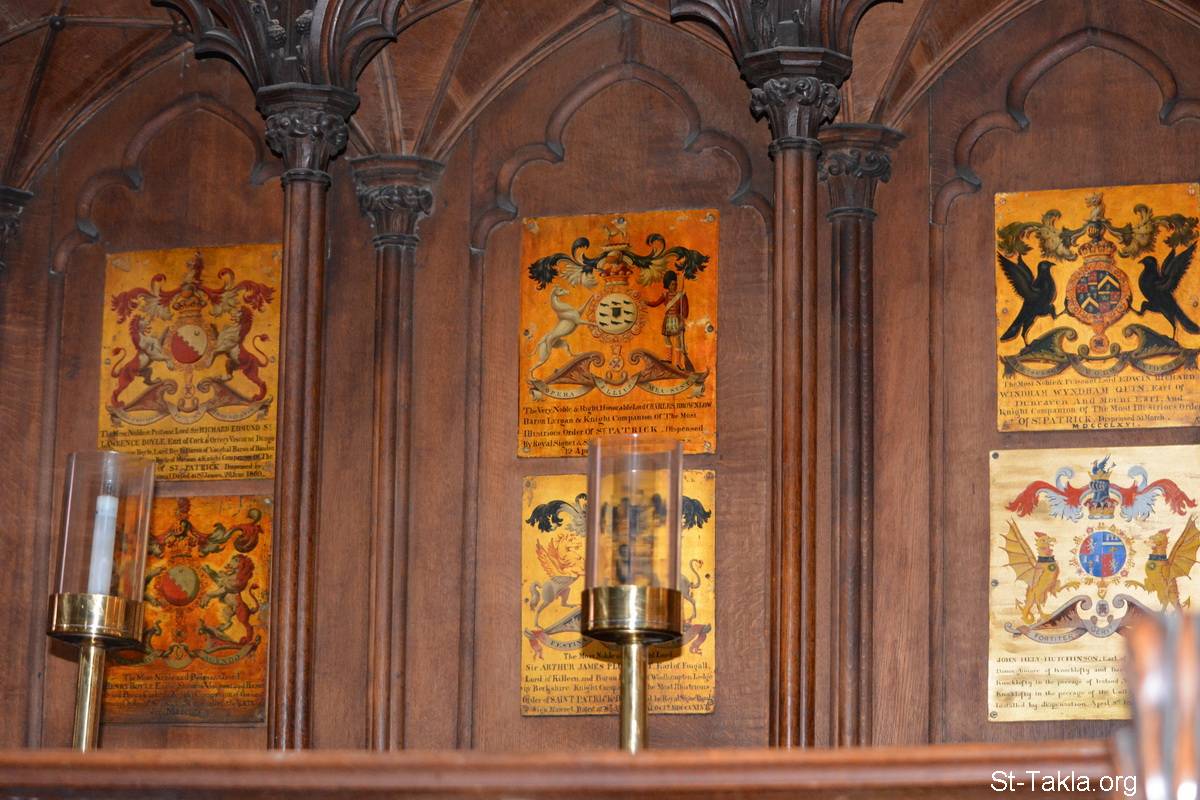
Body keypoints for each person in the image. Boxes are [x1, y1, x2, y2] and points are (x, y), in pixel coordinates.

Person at [644, 269, 693, 371]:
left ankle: (678, 362)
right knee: (666, 338)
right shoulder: (665, 295)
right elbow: (656, 303)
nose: (674, 286)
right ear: (668, 285)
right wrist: (647, 302)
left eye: (675, 284)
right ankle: (669, 358)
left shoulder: (681, 295)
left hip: (677, 320)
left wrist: (683, 318)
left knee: (678, 340)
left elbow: (685, 308)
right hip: (668, 320)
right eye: (672, 284)